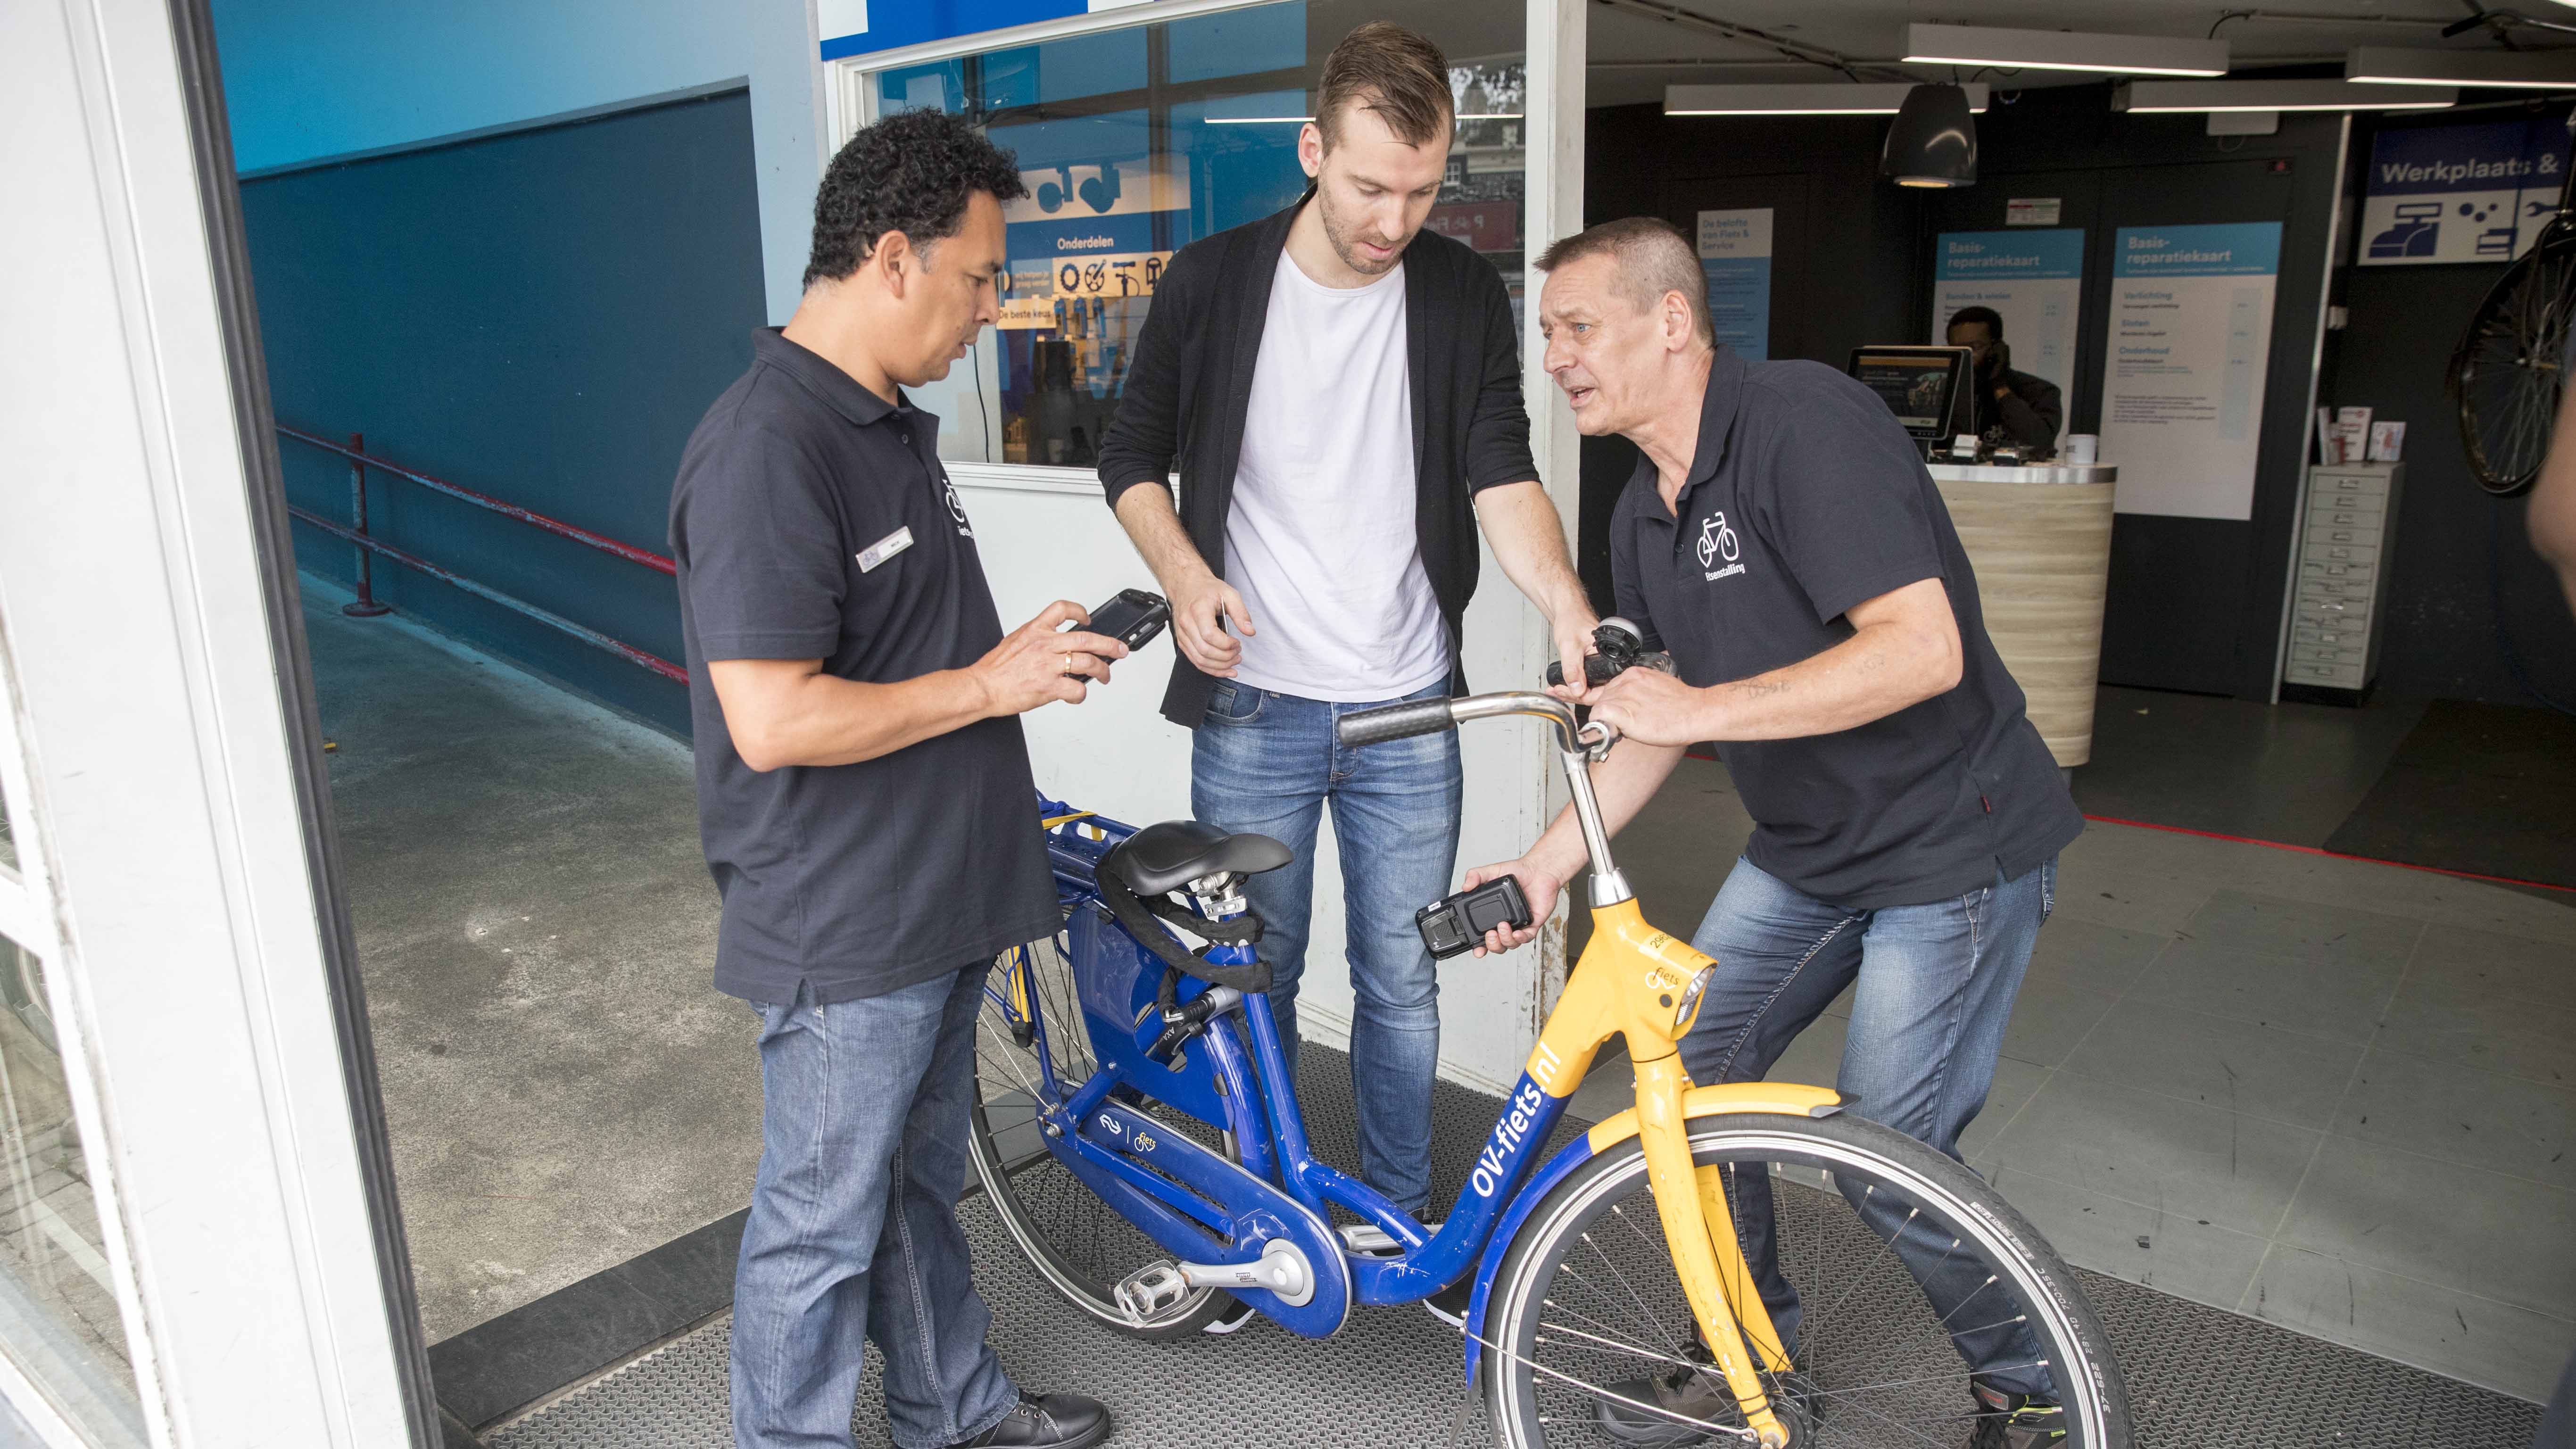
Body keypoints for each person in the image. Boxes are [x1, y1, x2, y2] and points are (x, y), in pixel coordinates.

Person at [1469, 218, 2085, 1449]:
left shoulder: (1805, 426)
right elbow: (1654, 716)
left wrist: (1695, 705)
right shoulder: (1641, 516)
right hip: (1804, 850)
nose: (1557, 359)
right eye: (1545, 335)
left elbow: (1922, 649)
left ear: (1671, 323)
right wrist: (1541, 866)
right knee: (1685, 1094)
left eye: (1577, 327)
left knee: (1885, 1146)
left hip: (1944, 845)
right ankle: (1751, 1355)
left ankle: (2023, 1385)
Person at [1095, 22, 1595, 1251]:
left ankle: (1393, 1221)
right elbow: (1129, 454)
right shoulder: (1212, 283)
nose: (1392, 219)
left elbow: (1498, 469)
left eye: (1420, 193)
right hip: (1255, 705)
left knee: (1399, 983)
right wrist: (1186, 571)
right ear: (1313, 150)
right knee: (1246, 984)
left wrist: (1567, 604)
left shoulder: (1457, 291)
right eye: (1369, 186)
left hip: (1406, 713)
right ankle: (1236, 1229)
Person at [670, 109, 1120, 1449]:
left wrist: (1006, 656)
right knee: (817, 1222)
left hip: (938, 893)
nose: (993, 307)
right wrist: (988, 686)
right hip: (846, 918)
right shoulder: (769, 446)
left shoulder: (883, 425)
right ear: (890, 257)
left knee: (915, 1185)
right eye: (980, 276)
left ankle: (949, 1409)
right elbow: (771, 715)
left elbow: (885, 652)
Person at [1946, 305, 2063, 454]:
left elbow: (2039, 443)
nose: (1965, 358)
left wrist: (2000, 387)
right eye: (1956, 350)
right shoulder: (1944, 392)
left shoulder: (2039, 391)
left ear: (1996, 348)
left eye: (1974, 348)